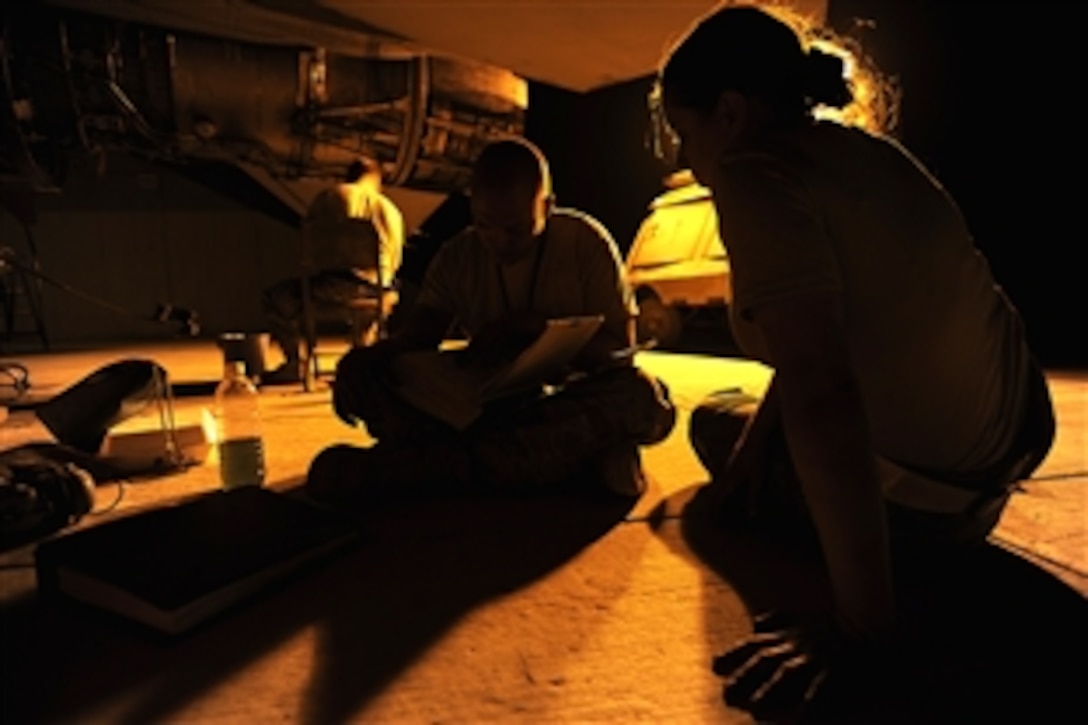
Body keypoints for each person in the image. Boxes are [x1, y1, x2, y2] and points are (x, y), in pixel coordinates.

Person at [654, 4, 1055, 717]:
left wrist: (861, 627)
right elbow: (832, 337)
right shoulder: (868, 152)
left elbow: (822, 383)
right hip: (1009, 444)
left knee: (712, 427)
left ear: (731, 112)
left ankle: (896, 578)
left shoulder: (754, 173)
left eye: (684, 132)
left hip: (934, 511)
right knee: (746, 434)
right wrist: (759, 448)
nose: (686, 159)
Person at [305, 137, 675, 502]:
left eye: (515, 229)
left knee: (641, 396)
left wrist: (535, 329)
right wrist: (368, 359)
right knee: (386, 382)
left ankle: (436, 467)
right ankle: (564, 460)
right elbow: (417, 338)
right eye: (485, 225)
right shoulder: (458, 256)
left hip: (563, 399)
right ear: (472, 208)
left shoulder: (586, 243)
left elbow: (620, 351)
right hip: (484, 410)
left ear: (548, 207)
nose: (498, 241)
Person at [262, 156, 404, 384]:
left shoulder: (328, 198)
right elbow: (395, 261)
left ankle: (295, 363)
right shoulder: (390, 209)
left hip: (327, 289)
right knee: (382, 301)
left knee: (275, 297)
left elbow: (309, 250)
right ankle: (363, 360)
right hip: (375, 293)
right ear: (376, 179)